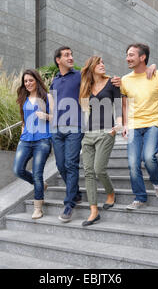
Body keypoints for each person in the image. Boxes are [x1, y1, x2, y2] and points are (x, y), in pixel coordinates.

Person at [50, 46, 121, 223]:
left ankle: (70, 203)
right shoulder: (55, 80)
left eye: (72, 54)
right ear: (58, 60)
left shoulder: (80, 77)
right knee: (61, 165)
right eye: (66, 55)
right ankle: (77, 194)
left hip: (78, 127)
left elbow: (98, 76)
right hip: (60, 129)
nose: (71, 57)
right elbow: (53, 101)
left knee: (74, 165)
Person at [120, 43, 158, 210]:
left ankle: (156, 181)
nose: (127, 58)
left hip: (153, 123)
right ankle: (140, 197)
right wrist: (125, 124)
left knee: (148, 157)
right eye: (127, 55)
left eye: (131, 55)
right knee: (133, 163)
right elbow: (125, 104)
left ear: (142, 57)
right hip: (134, 125)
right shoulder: (125, 80)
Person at [78, 56, 122, 226]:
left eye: (103, 62)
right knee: (88, 172)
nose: (102, 65)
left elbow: (118, 105)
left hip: (106, 132)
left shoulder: (112, 82)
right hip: (88, 134)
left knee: (99, 169)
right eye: (99, 63)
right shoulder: (86, 87)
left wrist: (117, 125)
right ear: (91, 67)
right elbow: (84, 111)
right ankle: (93, 211)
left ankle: (110, 193)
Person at [13, 69, 54, 219]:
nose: (28, 83)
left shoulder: (47, 97)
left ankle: (38, 208)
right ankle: (40, 185)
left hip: (42, 140)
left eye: (31, 80)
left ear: (36, 80)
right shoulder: (24, 99)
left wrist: (46, 116)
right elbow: (23, 120)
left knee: (37, 173)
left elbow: (56, 118)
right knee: (18, 169)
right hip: (25, 140)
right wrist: (21, 136)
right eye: (25, 81)